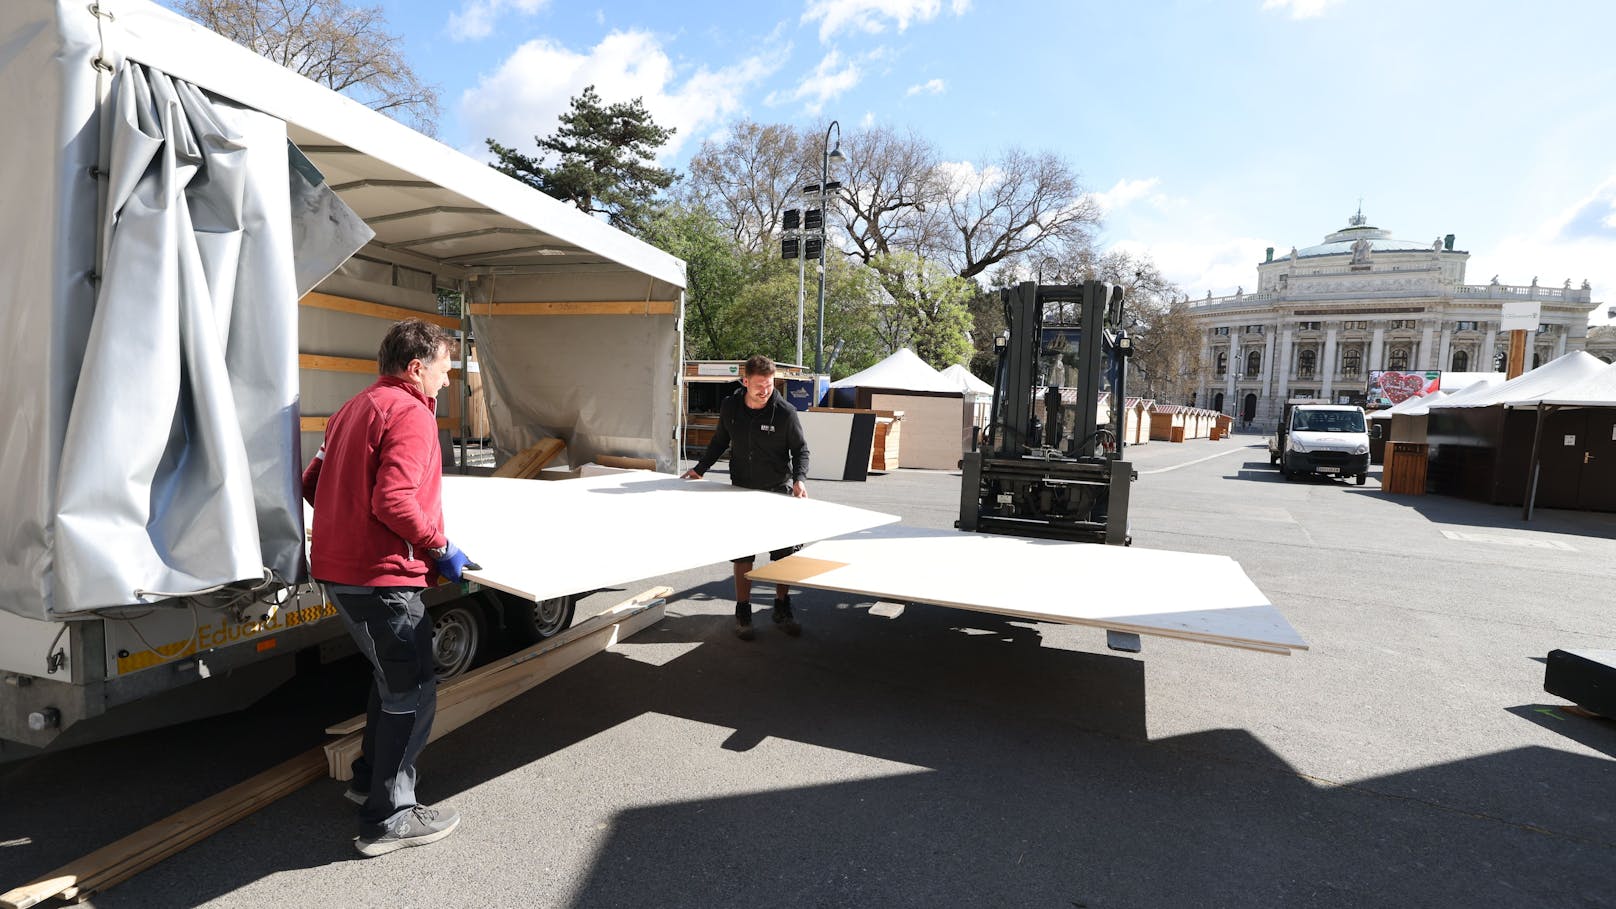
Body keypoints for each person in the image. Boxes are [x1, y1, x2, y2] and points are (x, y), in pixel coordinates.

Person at [302, 318, 479, 857]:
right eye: (446, 371)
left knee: (391, 683)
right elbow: (394, 502)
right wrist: (439, 546)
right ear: (417, 367)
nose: (447, 383)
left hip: (341, 572)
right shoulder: (411, 413)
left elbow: (311, 483)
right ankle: (389, 818)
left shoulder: (350, 410)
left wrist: (345, 527)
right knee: (414, 692)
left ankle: (366, 780)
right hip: (382, 580)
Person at [681, 355, 810, 640]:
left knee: (782, 555)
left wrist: (799, 480)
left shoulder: (785, 412)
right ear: (745, 382)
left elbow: (801, 451)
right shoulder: (730, 407)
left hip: (777, 491)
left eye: (770, 384)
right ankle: (743, 610)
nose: (765, 390)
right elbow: (719, 442)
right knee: (743, 556)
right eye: (759, 385)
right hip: (741, 491)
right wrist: (700, 469)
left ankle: (782, 606)